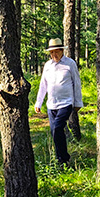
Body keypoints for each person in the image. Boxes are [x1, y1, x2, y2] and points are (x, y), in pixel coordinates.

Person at [34, 38, 83, 166]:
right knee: (55, 132)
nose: (54, 55)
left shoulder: (70, 64)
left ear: (62, 51)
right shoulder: (47, 66)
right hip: (51, 104)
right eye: (51, 53)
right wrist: (38, 103)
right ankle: (60, 158)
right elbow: (43, 85)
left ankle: (63, 158)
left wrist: (78, 103)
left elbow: (77, 83)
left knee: (57, 128)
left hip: (66, 103)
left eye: (56, 52)